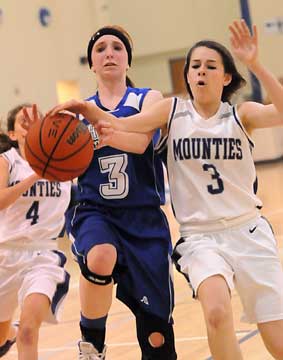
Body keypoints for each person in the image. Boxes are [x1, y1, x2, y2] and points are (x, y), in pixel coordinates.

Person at [48, 19, 283, 359]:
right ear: (186, 76)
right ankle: (92, 340)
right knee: (216, 314)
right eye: (195, 66)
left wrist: (256, 63)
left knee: (275, 339)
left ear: (226, 76)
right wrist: (87, 110)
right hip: (200, 237)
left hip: (247, 229)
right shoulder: (172, 111)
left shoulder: (241, 114)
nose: (201, 71)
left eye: (211, 66)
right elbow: (121, 124)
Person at [45, 25, 177, 360]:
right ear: (91, 63)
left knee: (158, 337)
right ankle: (92, 342)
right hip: (96, 210)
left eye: (117, 48)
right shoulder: (77, 110)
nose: (109, 53)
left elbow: (139, 141)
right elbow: (63, 164)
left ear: (128, 61)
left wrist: (98, 129)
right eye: (100, 48)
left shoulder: (147, 98)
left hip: (144, 217)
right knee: (100, 255)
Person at [0, 104, 71, 360]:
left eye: (37, 120)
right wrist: (34, 176)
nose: (31, 125)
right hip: (6, 255)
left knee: (29, 331)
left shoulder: (66, 160)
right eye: (23, 122)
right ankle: (8, 335)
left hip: (43, 255)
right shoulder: (8, 161)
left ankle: (16, 334)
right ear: (12, 134)